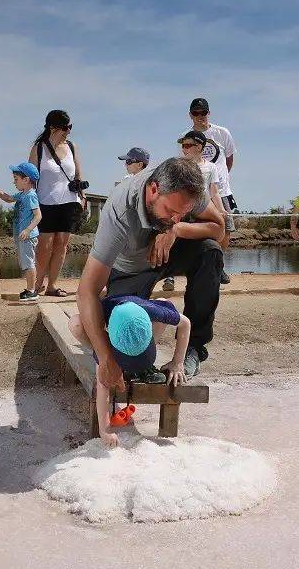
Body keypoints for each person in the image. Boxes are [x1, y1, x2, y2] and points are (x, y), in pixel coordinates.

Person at [78, 156, 224, 406]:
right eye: (171, 211)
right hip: (130, 268)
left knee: (210, 251)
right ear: (154, 189)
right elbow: (86, 291)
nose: (177, 217)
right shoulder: (119, 211)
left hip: (168, 252)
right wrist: (105, 358)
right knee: (117, 323)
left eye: (184, 213)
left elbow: (218, 229)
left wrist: (175, 230)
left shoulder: (188, 188)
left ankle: (194, 349)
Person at [69, 296, 190, 447]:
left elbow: (185, 322)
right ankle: (120, 359)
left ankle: (140, 362)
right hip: (107, 320)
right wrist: (105, 430)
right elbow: (103, 385)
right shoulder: (103, 341)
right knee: (76, 324)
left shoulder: (153, 312)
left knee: (164, 302)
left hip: (140, 308)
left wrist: (177, 362)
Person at [30, 110, 88, 298]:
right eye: (65, 127)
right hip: (45, 202)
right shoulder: (39, 148)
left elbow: (78, 174)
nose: (68, 131)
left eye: (70, 127)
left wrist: (83, 197)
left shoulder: (71, 146)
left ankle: (52, 285)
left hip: (69, 202)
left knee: (62, 244)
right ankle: (37, 283)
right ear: (52, 127)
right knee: (44, 245)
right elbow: (30, 179)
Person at [162, 130, 229, 291]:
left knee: (212, 239)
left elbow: (214, 192)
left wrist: (220, 210)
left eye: (187, 145)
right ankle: (169, 277)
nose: (184, 149)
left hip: (203, 210)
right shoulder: (178, 166)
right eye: (182, 146)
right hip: (182, 210)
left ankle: (216, 271)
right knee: (173, 237)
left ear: (199, 147)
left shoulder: (211, 168)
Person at [186, 97, 237, 283]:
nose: (200, 117)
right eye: (196, 113)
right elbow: (184, 162)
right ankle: (197, 268)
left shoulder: (222, 133)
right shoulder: (186, 136)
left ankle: (219, 267)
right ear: (190, 115)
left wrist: (218, 177)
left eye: (203, 113)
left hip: (221, 190)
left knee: (226, 227)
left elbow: (229, 159)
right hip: (197, 193)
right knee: (196, 228)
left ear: (209, 113)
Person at [0, 162, 43, 302]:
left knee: (29, 263)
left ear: (26, 180)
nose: (14, 182)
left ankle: (32, 291)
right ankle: (30, 289)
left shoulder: (31, 196)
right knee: (26, 263)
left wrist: (28, 229)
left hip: (28, 235)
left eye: (16, 179)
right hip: (22, 235)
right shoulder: (22, 194)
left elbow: (38, 215)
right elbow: (9, 199)